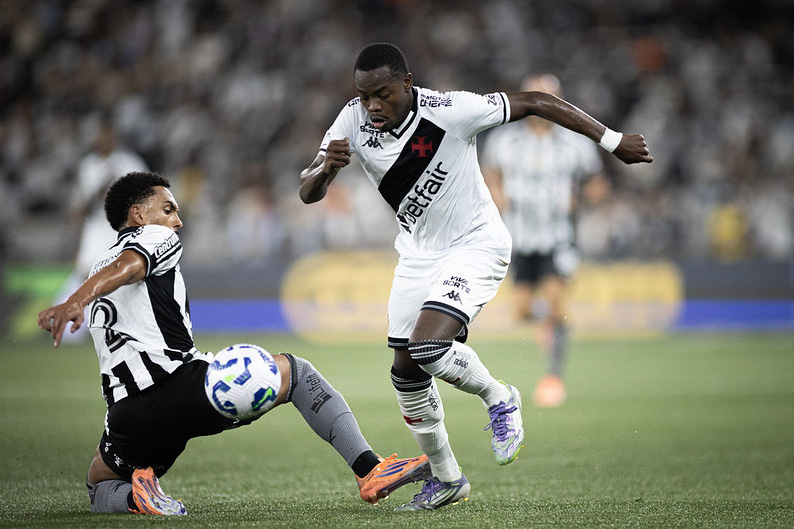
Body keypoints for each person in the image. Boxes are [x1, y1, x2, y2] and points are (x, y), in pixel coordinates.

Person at [299, 43, 652, 511]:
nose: (372, 106)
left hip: (476, 244)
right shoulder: (351, 119)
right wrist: (326, 169)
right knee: (405, 373)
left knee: (427, 347)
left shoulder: (451, 111)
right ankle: (447, 480)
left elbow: (535, 102)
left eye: (381, 94)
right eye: (364, 97)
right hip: (417, 255)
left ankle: (500, 397)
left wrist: (612, 140)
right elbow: (308, 191)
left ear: (407, 83)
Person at [37, 171, 430, 516]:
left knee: (100, 484)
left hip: (127, 415)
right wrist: (74, 302)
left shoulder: (95, 267)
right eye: (169, 209)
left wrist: (78, 297)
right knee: (295, 372)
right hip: (183, 388)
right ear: (139, 215)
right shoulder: (154, 238)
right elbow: (132, 264)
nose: (178, 220)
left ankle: (138, 496)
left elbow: (122, 270)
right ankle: (370, 469)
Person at [481, 73, 608, 408]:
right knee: (521, 311)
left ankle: (553, 378)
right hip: (518, 237)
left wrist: (579, 199)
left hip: (557, 237)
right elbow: (489, 174)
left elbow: (597, 186)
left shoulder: (576, 143)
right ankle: (550, 326)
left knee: (555, 302)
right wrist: (497, 195)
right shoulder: (504, 140)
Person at [54, 116, 149, 342]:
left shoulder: (129, 162)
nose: (104, 139)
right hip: (97, 225)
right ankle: (70, 323)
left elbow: (147, 194)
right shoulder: (89, 165)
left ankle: (126, 326)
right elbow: (83, 203)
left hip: (122, 226)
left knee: (125, 273)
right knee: (86, 271)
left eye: (108, 135)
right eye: (100, 135)